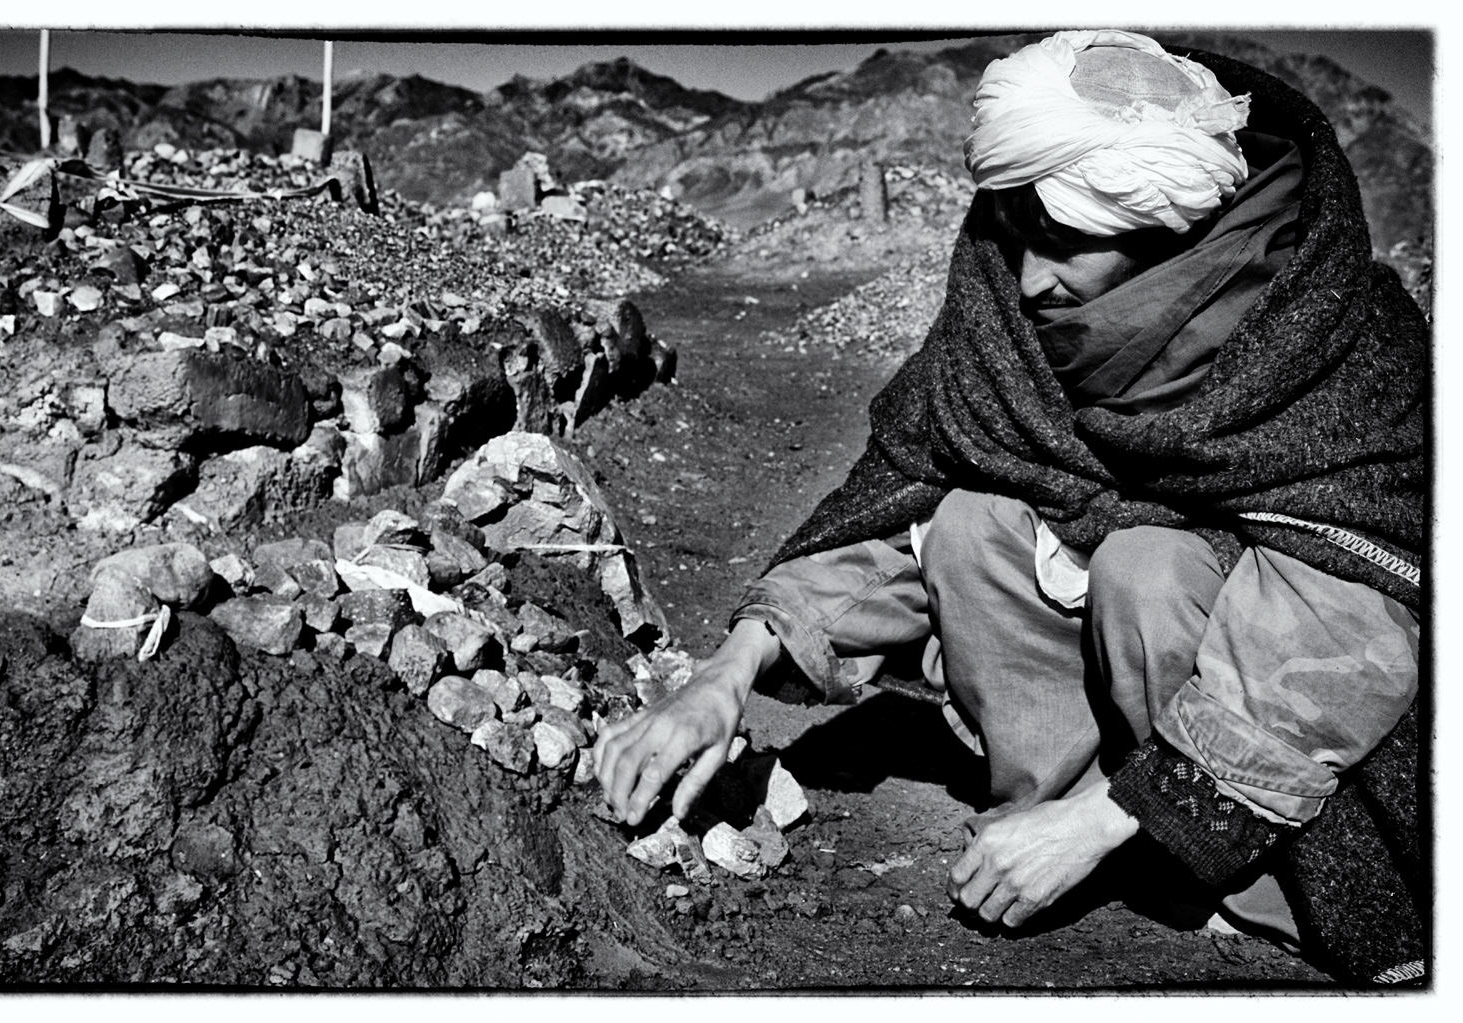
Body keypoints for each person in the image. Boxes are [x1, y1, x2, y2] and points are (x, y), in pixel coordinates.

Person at [594, 30, 1426, 986]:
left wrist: (1114, 815)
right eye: (1020, 235)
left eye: (1064, 244)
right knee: (970, 522)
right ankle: (1050, 826)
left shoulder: (1339, 346)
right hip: (1118, 720)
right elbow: (897, 514)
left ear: (1166, 242)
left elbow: (1345, 633)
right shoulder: (1009, 316)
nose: (1029, 280)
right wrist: (728, 671)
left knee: (1147, 565)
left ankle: (1210, 871)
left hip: (1274, 728)